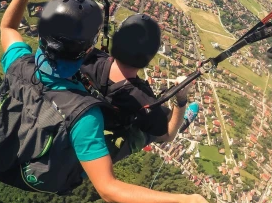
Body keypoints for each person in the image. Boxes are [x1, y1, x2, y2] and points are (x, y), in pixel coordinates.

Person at [0, 0, 217, 203]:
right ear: (84, 51)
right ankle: (173, 118)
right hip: (39, 175)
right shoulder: (85, 116)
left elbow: (8, 28)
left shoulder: (20, 63)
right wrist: (181, 200)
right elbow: (109, 189)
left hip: (0, 153)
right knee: (137, 136)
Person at [80, 14, 193, 161]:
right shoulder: (143, 100)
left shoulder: (90, 59)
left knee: (160, 112)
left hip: (84, 117)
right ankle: (179, 119)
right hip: (112, 130)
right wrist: (181, 99)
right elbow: (168, 136)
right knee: (154, 125)